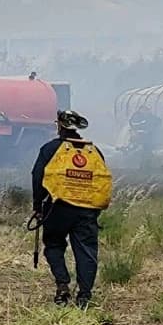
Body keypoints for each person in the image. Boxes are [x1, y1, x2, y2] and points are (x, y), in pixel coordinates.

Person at [31, 110, 111, 310]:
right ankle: (84, 296)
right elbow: (100, 180)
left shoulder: (50, 149)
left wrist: (38, 206)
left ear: (59, 126)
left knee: (54, 245)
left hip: (58, 208)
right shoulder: (93, 151)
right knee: (86, 252)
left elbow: (37, 177)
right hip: (87, 210)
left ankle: (62, 284)